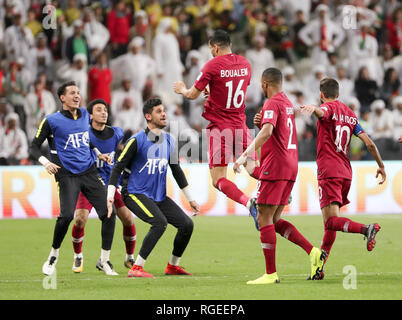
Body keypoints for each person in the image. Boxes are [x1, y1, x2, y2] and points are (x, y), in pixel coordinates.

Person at [234, 68, 325, 285]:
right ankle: (313, 252)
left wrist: (244, 156)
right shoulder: (286, 102)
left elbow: (266, 132)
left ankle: (270, 273)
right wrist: (262, 125)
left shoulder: (272, 103)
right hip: (291, 164)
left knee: (263, 217)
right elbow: (275, 132)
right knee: (274, 220)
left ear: (265, 83)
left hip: (276, 166)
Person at [300, 78, 386, 279]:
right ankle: (319, 269)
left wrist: (314, 108)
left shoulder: (326, 108)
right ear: (338, 94)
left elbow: (324, 112)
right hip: (346, 172)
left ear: (322, 94)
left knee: (331, 222)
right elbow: (369, 143)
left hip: (329, 171)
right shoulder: (351, 115)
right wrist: (381, 166)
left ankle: (367, 229)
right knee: (330, 222)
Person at [29, 81, 117, 276]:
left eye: (78, 92)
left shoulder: (85, 114)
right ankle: (53, 255)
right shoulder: (51, 120)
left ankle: (104, 260)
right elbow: (33, 147)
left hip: (89, 172)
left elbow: (86, 140)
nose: (77, 95)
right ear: (62, 98)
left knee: (109, 213)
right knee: (67, 216)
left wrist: (97, 153)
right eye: (72, 93)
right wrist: (46, 162)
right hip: (67, 174)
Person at [107, 98, 200, 278]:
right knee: (159, 223)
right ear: (148, 116)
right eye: (159, 111)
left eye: (164, 110)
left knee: (187, 224)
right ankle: (137, 268)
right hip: (134, 193)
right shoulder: (136, 140)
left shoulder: (170, 141)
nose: (164, 114)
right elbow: (118, 167)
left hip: (157, 196)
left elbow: (176, 170)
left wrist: (190, 198)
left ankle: (173, 266)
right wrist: (111, 194)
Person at [174, 29, 259, 218]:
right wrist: (213, 92)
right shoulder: (245, 64)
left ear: (215, 46)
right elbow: (232, 89)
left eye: (211, 48)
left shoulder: (212, 66)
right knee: (254, 169)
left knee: (218, 179)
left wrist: (181, 90)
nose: (211, 52)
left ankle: (248, 202)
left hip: (221, 128)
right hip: (241, 124)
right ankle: (282, 187)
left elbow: (192, 95)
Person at [71, 99, 136, 274]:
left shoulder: (116, 133)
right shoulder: (84, 134)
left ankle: (129, 257)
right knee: (79, 220)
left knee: (128, 219)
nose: (104, 112)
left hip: (110, 184)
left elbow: (121, 150)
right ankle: (78, 256)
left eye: (105, 110)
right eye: (99, 110)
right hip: (88, 183)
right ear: (90, 115)